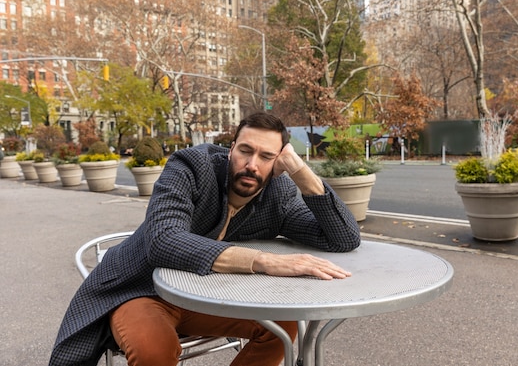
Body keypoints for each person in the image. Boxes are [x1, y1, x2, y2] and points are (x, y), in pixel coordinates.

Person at [49, 112, 360, 366]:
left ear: (278, 161)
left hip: (211, 297)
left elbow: (343, 238)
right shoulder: (191, 167)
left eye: (266, 156)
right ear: (231, 148)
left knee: (281, 327)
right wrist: (264, 261)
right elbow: (163, 240)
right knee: (155, 351)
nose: (252, 164)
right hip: (144, 290)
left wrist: (300, 170)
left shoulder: (277, 195)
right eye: (245, 151)